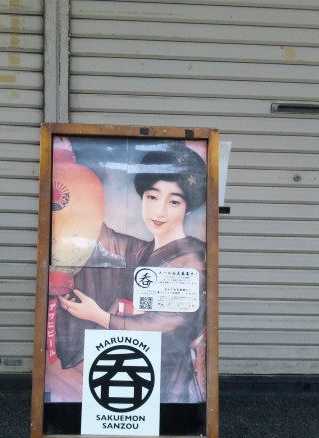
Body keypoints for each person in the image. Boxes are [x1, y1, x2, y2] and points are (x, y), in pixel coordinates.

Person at [53, 144, 208, 403]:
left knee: (166, 416)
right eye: (152, 197)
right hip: (128, 362)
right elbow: (96, 236)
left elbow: (165, 324)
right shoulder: (138, 251)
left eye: (173, 201)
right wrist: (71, 180)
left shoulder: (192, 257)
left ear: (188, 208)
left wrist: (99, 316)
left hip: (170, 378)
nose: (159, 211)